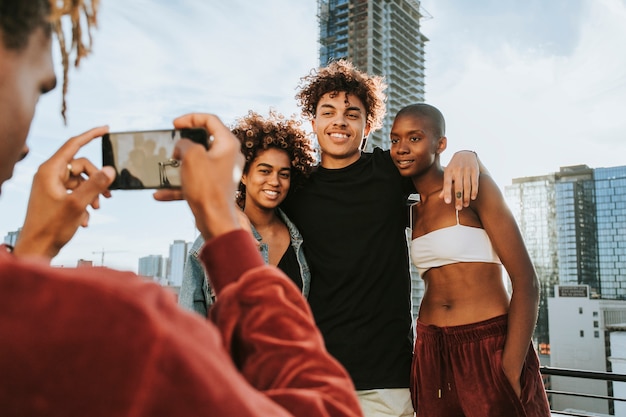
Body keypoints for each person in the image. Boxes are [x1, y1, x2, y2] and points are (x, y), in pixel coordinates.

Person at [0, 1, 363, 416]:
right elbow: (329, 406)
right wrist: (226, 231)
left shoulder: (300, 235)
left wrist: (32, 250)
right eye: (39, 89)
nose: (28, 143)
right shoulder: (119, 321)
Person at [281, 59, 482, 417]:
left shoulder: (389, 171)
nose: (339, 120)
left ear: (368, 126)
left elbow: (434, 166)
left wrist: (467, 155)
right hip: (312, 376)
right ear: (313, 123)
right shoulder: (295, 188)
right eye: (328, 111)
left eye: (352, 114)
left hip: (387, 379)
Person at [390, 103, 551, 416]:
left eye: (415, 138)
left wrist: (510, 368)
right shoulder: (407, 209)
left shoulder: (473, 190)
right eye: (395, 140)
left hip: (489, 344)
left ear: (441, 144)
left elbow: (526, 281)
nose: (402, 148)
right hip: (431, 349)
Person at [180, 110, 316, 316]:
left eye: (284, 174)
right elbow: (190, 323)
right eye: (264, 170)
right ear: (243, 175)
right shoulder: (211, 243)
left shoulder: (302, 240)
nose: (274, 181)